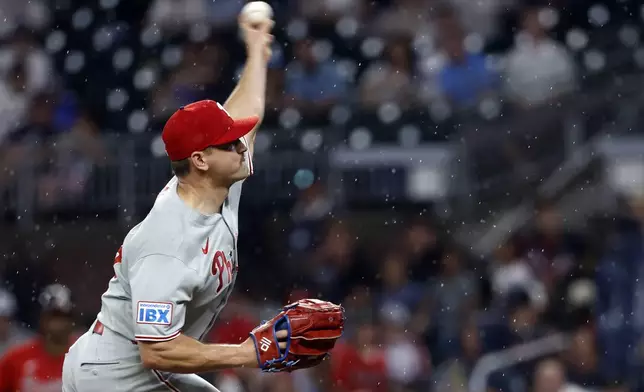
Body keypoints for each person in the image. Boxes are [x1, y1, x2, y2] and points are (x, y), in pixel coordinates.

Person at [61, 15, 277, 392]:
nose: (243, 146)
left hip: (146, 369)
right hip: (108, 379)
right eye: (230, 142)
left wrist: (257, 52)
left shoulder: (217, 182)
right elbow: (158, 350)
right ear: (199, 160)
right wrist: (249, 352)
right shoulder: (169, 245)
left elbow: (247, 112)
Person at [0, 284, 76, 391]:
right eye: (53, 316)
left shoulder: (85, 358)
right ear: (42, 319)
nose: (58, 324)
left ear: (72, 321)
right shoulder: (15, 359)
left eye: (63, 317)